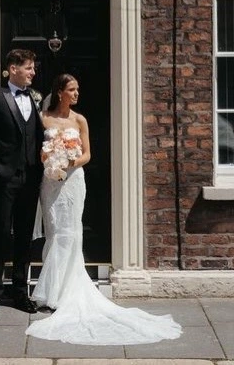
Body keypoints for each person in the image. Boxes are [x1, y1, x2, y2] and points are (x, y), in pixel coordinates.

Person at [26, 74, 181, 346]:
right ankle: (52, 291)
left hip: (73, 181)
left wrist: (70, 161)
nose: (76, 94)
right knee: (54, 232)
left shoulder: (80, 120)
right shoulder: (43, 119)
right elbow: (37, 150)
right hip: (51, 182)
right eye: (72, 89)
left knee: (72, 233)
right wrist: (50, 160)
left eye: (77, 89)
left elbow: (88, 154)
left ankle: (65, 292)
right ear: (60, 92)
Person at [0, 48, 44, 318]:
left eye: (33, 68)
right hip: (5, 178)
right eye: (29, 67)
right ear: (13, 68)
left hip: (31, 178)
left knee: (25, 236)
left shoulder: (34, 98)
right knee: (2, 235)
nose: (33, 72)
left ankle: (20, 292)